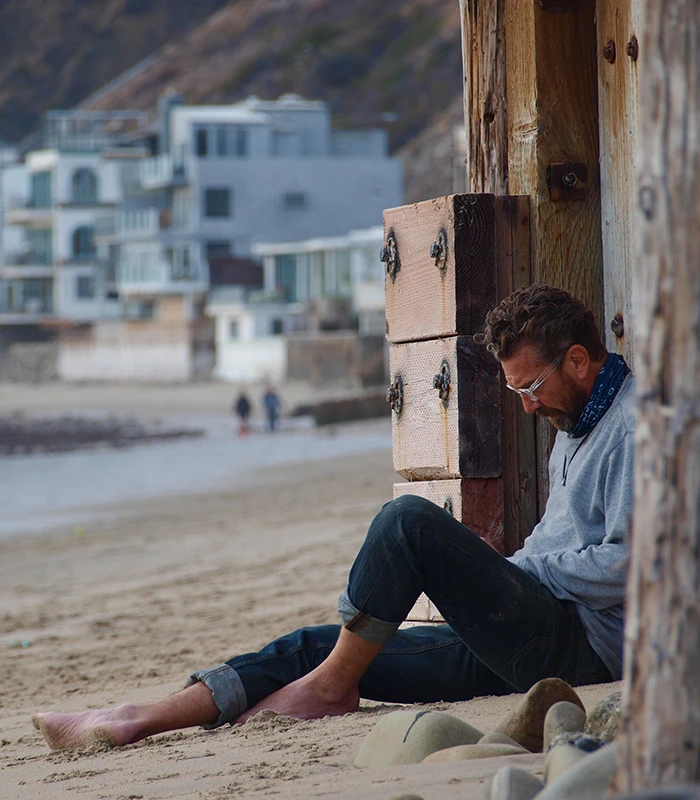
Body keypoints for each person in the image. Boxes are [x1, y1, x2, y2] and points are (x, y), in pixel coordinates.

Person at [32, 284, 634, 751]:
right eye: (516, 392)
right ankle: (136, 719)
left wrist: (524, 574)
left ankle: (327, 689)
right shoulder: (571, 423)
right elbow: (559, 542)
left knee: (406, 523)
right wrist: (521, 574)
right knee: (317, 646)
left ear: (578, 360)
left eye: (530, 386)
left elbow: (632, 565)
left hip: (579, 648)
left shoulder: (633, 429)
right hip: (527, 633)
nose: (527, 405)